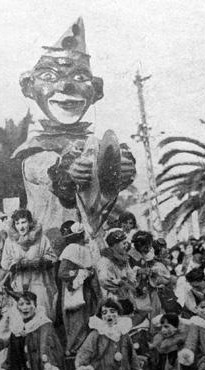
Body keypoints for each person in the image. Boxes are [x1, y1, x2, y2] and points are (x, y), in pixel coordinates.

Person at [12, 17, 136, 242]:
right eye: (49, 77)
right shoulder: (33, 151)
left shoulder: (96, 145)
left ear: (96, 90)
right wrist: (67, 172)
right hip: (49, 247)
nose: (66, 86)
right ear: (30, 87)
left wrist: (121, 167)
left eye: (80, 77)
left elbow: (107, 188)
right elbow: (44, 171)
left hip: (92, 245)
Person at [74, 299, 143, 370]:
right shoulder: (96, 335)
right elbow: (83, 354)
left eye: (112, 311)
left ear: (118, 314)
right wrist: (83, 368)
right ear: (101, 316)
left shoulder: (124, 334)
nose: (109, 315)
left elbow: (133, 358)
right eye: (104, 312)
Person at [1, 291, 65, 370]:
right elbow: (15, 366)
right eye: (21, 304)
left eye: (28, 303)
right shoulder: (17, 330)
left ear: (35, 306)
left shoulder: (44, 326)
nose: (25, 307)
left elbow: (47, 357)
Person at [1, 209, 58, 318]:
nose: (21, 227)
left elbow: (53, 257)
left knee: (41, 313)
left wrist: (40, 261)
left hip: (38, 283)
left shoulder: (41, 238)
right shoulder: (10, 241)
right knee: (20, 316)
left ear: (30, 222)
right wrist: (17, 264)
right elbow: (5, 262)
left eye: (24, 222)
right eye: (17, 223)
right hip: (19, 284)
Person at [58, 221, 100, 356]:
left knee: (86, 320)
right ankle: (73, 349)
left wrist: (89, 273)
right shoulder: (71, 249)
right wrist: (81, 273)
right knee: (76, 322)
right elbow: (63, 273)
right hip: (74, 292)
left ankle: (85, 350)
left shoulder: (86, 249)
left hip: (87, 291)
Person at [96, 229, 137, 305]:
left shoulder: (124, 260)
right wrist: (119, 282)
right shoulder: (105, 261)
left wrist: (130, 280)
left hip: (125, 298)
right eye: (123, 243)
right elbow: (103, 279)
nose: (126, 246)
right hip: (111, 300)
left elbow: (131, 275)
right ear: (115, 244)